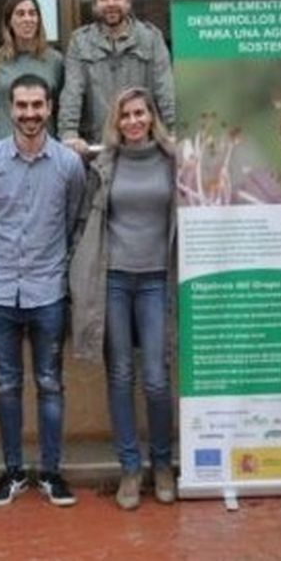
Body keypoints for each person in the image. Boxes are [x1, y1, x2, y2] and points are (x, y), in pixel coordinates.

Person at [0, 73, 87, 508]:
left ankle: (51, 473)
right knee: (5, 384)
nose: (30, 114)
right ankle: (14, 471)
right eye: (22, 106)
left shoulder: (69, 165)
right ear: (10, 107)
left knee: (50, 383)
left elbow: (73, 218)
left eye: (38, 105)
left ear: (50, 107)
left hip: (48, 289)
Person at [69, 87, 178, 510]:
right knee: (119, 376)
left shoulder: (173, 162)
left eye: (140, 113)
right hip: (113, 279)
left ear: (151, 116)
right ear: (115, 122)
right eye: (125, 115)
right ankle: (130, 468)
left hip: (156, 279)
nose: (133, 121)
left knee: (155, 376)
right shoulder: (104, 165)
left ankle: (163, 464)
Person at [57, 0, 176, 151]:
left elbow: (165, 89)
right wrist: (69, 135)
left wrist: (173, 132)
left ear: (128, 2)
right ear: (95, 5)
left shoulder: (151, 38)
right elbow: (72, 93)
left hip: (143, 144)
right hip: (97, 146)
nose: (111, 3)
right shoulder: (80, 42)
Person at [0, 0, 65, 143]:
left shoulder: (55, 60)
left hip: (42, 146)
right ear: (9, 21)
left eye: (32, 14)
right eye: (20, 14)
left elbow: (59, 108)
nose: (27, 19)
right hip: (1, 145)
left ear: (39, 20)